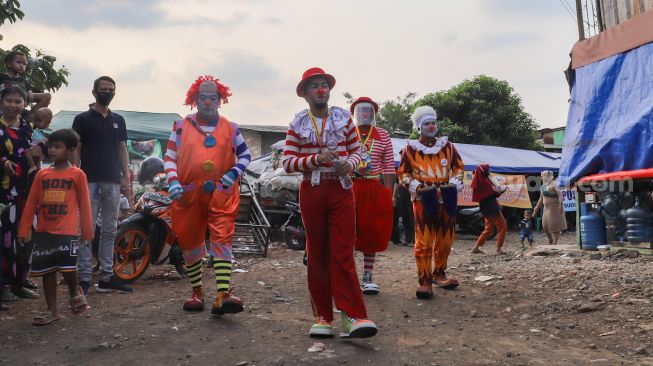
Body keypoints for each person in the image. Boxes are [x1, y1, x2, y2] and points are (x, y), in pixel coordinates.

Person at [283, 67, 377, 338]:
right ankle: (323, 317)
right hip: (311, 190)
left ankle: (353, 316)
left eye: (324, 84)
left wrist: (349, 163)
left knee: (343, 252)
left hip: (341, 190)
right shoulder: (297, 124)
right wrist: (315, 160)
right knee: (317, 254)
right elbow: (287, 163)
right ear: (305, 94)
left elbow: (359, 151)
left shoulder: (343, 119)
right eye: (315, 86)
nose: (321, 89)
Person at [164, 75, 251, 317]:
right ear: (194, 99)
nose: (208, 102)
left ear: (221, 99)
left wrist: (233, 173)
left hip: (222, 193)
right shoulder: (181, 126)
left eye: (213, 98)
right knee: (191, 241)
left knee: (222, 238)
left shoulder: (231, 128)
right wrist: (173, 181)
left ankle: (223, 294)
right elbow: (169, 157)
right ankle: (197, 292)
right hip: (188, 194)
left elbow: (245, 156)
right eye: (203, 97)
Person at [17, 128, 93, 325]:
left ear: (70, 150)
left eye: (57, 147)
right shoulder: (42, 174)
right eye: (50, 146)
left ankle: (74, 292)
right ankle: (52, 311)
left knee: (68, 269)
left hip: (67, 230)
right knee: (47, 272)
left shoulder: (78, 175)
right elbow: (32, 202)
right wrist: (24, 230)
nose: (52, 150)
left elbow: (85, 205)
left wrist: (87, 232)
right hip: (43, 231)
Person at [72, 76, 132, 295]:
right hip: (88, 181)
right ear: (94, 92)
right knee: (86, 230)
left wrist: (125, 177)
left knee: (110, 229)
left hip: (113, 181)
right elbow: (75, 147)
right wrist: (76, 172)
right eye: (103, 89)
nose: (107, 92)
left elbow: (122, 148)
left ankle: (107, 276)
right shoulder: (82, 119)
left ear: (114, 92)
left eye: (110, 89)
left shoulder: (119, 120)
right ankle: (85, 278)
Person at [397, 105, 464, 299]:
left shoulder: (449, 147)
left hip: (446, 199)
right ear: (419, 127)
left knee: (446, 240)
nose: (432, 126)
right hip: (422, 200)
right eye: (427, 123)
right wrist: (418, 187)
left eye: (434, 122)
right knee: (424, 241)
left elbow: (459, 169)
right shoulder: (409, 149)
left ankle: (439, 274)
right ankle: (424, 280)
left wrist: (452, 184)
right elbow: (403, 174)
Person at [349, 96, 394, 295]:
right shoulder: (347, 133)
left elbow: (389, 165)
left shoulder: (383, 135)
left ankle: (367, 276)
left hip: (373, 186)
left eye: (368, 111)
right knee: (346, 231)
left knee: (372, 231)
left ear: (374, 113)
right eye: (361, 110)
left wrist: (389, 194)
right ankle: (347, 276)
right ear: (355, 114)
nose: (364, 114)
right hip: (349, 186)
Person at [0, 85, 38, 302]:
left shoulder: (26, 127)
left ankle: (20, 281)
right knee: (6, 238)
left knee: (26, 236)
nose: (13, 105)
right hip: (4, 193)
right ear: (1, 101)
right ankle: (4, 284)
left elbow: (33, 149)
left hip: (28, 189)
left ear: (24, 105)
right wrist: (3, 163)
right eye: (9, 101)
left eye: (18, 102)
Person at [0, 51, 51, 119]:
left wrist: (26, 97)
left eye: (24, 64)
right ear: (9, 64)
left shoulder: (23, 80)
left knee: (47, 96)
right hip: (4, 106)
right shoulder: (2, 77)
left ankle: (29, 118)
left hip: (20, 106)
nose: (22, 65)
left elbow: (30, 97)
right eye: (19, 62)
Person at [470, 164, 508, 255]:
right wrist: (501, 191)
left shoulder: (481, 180)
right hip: (492, 207)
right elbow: (492, 194)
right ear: (484, 171)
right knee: (503, 227)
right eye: (487, 169)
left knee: (489, 228)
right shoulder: (484, 181)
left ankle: (475, 248)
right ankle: (499, 249)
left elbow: (489, 194)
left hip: (486, 207)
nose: (489, 171)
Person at [533, 170, 567, 244]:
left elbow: (560, 195)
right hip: (546, 209)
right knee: (545, 226)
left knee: (555, 227)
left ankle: (554, 242)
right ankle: (550, 239)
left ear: (548, 176)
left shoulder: (555, 184)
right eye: (541, 175)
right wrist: (536, 207)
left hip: (555, 208)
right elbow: (541, 198)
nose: (541, 177)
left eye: (543, 175)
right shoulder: (543, 186)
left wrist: (560, 205)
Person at [391, 170, 415, 246]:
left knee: (413, 218)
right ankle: (407, 239)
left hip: (412, 197)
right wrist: (394, 196)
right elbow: (396, 183)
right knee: (405, 218)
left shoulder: (414, 168)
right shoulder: (400, 170)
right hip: (401, 197)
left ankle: (414, 240)